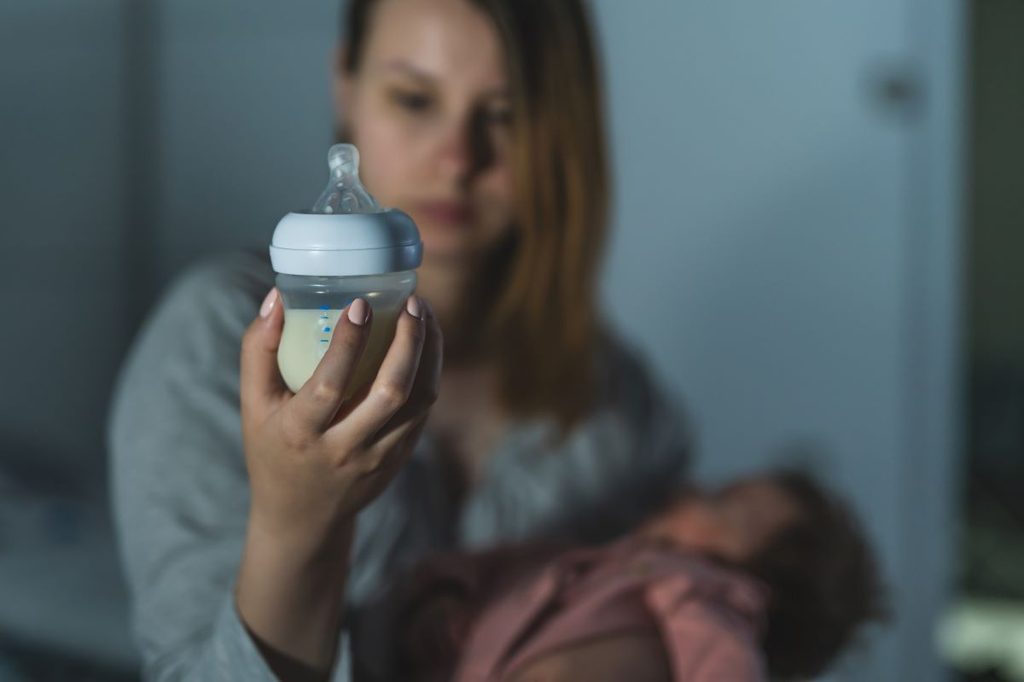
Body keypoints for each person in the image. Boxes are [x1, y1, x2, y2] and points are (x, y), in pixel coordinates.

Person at [108, 1, 688, 680]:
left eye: (504, 114)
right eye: (414, 99)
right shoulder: (221, 340)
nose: (458, 160)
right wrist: (298, 526)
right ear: (345, 86)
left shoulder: (614, 407)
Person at [387, 469, 886, 682]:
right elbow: (507, 563)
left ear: (754, 583)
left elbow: (726, 665)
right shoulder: (593, 561)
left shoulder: (702, 595)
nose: (691, 490)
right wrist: (448, 592)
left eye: (720, 503)